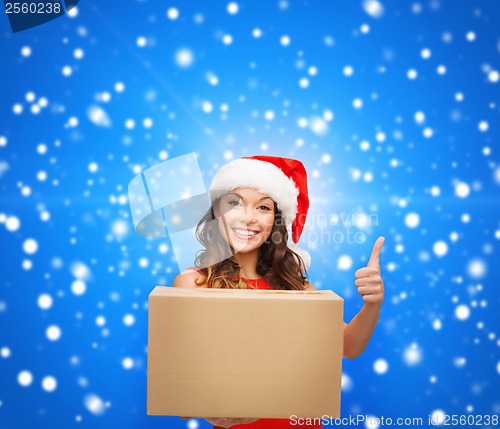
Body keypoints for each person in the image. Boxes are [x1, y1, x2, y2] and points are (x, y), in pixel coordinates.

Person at [174, 155, 385, 429]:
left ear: (275, 220)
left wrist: (372, 304)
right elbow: (182, 391)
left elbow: (348, 346)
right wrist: (219, 410)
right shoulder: (193, 284)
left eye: (262, 207)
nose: (247, 218)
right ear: (216, 211)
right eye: (234, 202)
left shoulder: (294, 284)